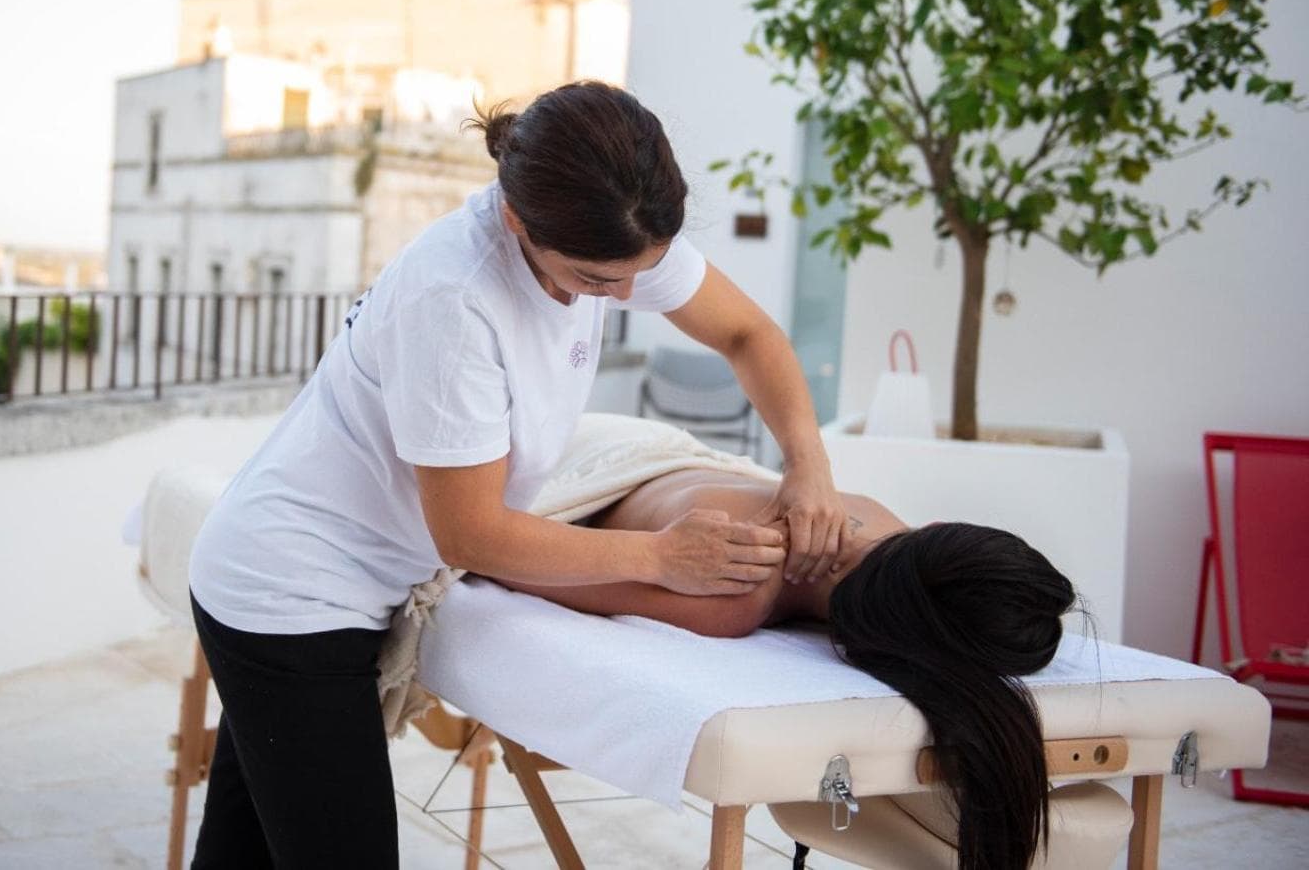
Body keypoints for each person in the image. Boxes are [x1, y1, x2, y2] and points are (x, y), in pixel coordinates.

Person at [185, 81, 848, 867]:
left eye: (641, 272)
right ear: (515, 219)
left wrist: (808, 464)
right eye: (596, 281)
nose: (625, 295)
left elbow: (748, 334)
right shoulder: (455, 298)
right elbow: (471, 534)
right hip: (291, 591)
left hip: (314, 574)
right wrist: (662, 556)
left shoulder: (615, 233)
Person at [496, 461, 1078, 870]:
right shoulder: (736, 588)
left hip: (667, 460)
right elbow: (510, 565)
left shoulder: (884, 527)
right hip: (594, 464)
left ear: (933, 533)